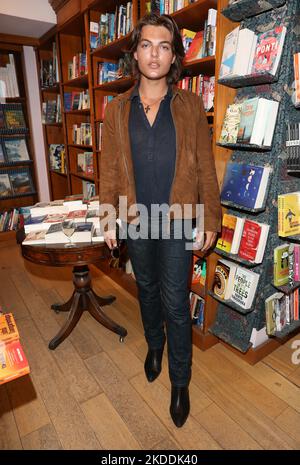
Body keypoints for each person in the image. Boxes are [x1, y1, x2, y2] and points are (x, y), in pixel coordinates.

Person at [99, 13, 221, 427]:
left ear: (174, 56)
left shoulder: (190, 105)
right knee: (146, 289)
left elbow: (205, 165)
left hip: (179, 217)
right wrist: (109, 218)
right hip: (137, 218)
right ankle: (154, 345)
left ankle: (180, 381)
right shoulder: (116, 110)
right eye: (147, 44)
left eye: (164, 46)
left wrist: (210, 216)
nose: (155, 53)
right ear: (135, 53)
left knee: (175, 301)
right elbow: (110, 169)